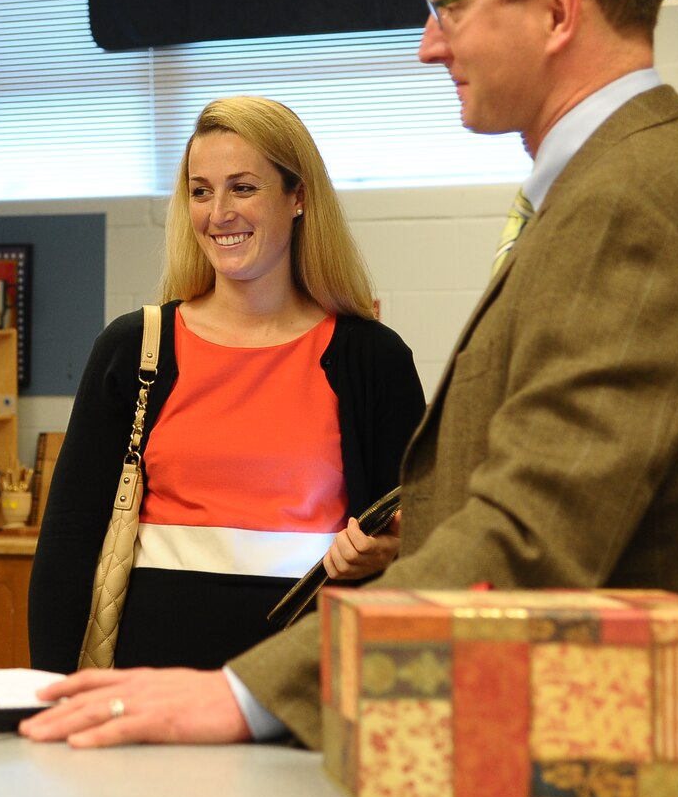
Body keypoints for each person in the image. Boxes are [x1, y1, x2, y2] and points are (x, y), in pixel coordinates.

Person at [22, 0, 678, 749]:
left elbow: (528, 538)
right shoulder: (641, 180)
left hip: (637, 757)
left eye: (450, 6)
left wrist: (242, 694)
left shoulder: (627, 206)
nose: (428, 43)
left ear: (557, 9)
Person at [28, 95, 425, 673]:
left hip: (305, 681)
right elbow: (66, 549)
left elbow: (425, 540)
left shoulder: (372, 358)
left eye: (243, 187)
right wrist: (52, 694)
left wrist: (386, 553)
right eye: (200, 190)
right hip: (149, 680)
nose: (219, 213)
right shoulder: (135, 349)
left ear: (299, 197)